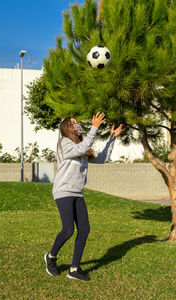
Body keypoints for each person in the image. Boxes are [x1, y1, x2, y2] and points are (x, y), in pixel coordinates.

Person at [44, 112, 122, 281]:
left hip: (77, 192)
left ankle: (74, 269)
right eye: (73, 124)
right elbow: (81, 149)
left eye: (77, 123)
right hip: (63, 191)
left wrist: (111, 139)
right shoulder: (64, 143)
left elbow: (100, 159)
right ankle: (50, 257)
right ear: (66, 128)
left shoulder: (82, 145)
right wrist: (94, 128)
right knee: (68, 230)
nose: (77, 125)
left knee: (84, 229)